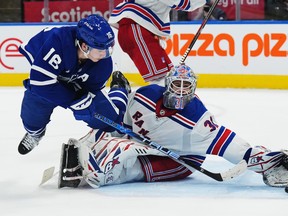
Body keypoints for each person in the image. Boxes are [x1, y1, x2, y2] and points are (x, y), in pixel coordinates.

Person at [57, 64, 288, 189]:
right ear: (167, 84)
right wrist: (119, 88)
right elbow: (119, 113)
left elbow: (238, 149)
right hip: (140, 141)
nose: (180, 90)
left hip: (179, 160)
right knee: (104, 135)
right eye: (176, 84)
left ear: (193, 88)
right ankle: (82, 159)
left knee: (128, 163)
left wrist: (271, 160)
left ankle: (92, 176)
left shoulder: (199, 122)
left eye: (186, 86)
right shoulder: (145, 95)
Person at [18, 14, 131, 155]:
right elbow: (40, 82)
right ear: (84, 46)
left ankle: (119, 87)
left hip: (76, 82)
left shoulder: (103, 65)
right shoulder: (58, 42)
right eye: (101, 50)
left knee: (110, 121)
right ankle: (35, 134)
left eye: (109, 49)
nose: (106, 54)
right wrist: (73, 99)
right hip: (48, 80)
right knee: (32, 116)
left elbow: (93, 93)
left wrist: (86, 104)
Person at [108, 0, 206, 84]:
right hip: (137, 29)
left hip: (137, 29)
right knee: (161, 81)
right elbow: (186, 4)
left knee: (167, 77)